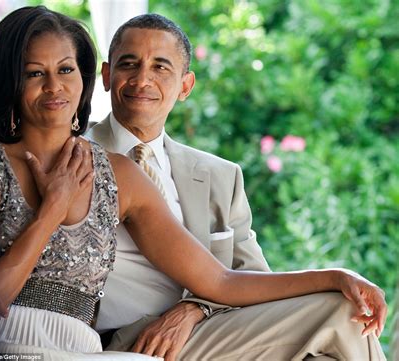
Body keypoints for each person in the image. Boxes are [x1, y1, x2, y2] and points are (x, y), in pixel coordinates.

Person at [0, 6, 385, 361]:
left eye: (66, 70)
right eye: (34, 73)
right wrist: (52, 211)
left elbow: (221, 281)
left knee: (343, 318)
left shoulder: (119, 174)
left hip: (91, 346)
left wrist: (335, 276)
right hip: (22, 342)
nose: (54, 86)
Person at [86, 14, 388, 360]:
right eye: (130, 64)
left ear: (185, 86)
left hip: (207, 329)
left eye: (160, 67)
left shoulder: (218, 175)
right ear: (107, 75)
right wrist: (337, 277)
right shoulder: (76, 157)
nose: (143, 79)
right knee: (342, 314)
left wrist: (195, 310)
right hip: (127, 338)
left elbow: (250, 277)